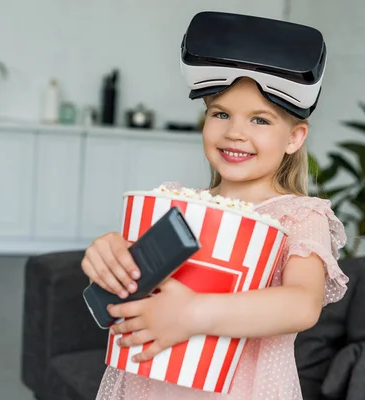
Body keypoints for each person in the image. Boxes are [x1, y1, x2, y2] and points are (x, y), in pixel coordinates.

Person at [81, 13, 349, 400]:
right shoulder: (174, 204)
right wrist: (108, 260)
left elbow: (301, 305)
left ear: (294, 137)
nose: (235, 132)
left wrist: (191, 314)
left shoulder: (299, 216)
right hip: (152, 385)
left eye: (260, 119)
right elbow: (130, 291)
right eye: (220, 113)